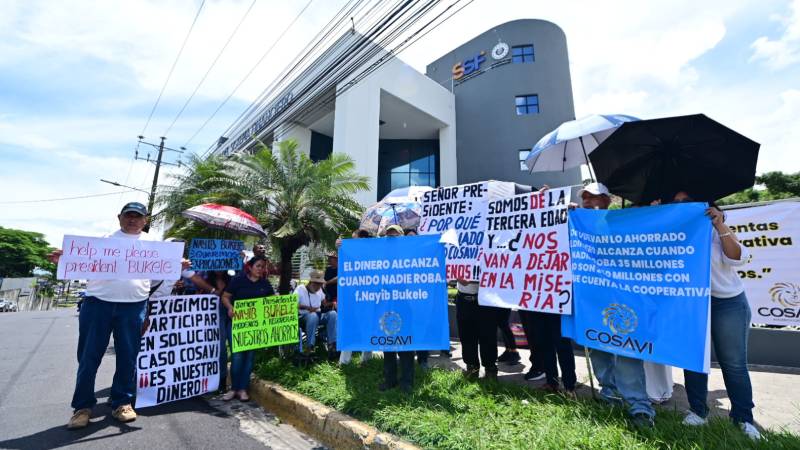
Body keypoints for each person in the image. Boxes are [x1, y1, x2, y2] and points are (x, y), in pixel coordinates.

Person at [52, 202, 160, 429]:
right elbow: (79, 264)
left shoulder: (155, 244)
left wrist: (177, 265)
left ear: (145, 220)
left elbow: (160, 274)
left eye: (137, 217)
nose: (132, 220)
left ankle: (122, 402)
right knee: (89, 357)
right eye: (128, 216)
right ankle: (82, 407)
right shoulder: (102, 240)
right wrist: (65, 260)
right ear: (119, 217)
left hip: (134, 306)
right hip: (98, 304)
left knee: (128, 356)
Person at [673, 191, 761, 440]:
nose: (682, 206)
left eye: (687, 201)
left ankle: (743, 418)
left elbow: (736, 258)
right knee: (694, 361)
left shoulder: (716, 228)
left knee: (733, 364)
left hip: (728, 303)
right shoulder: (673, 231)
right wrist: (656, 213)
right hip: (692, 304)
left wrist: (720, 224)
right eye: (676, 202)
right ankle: (698, 412)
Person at [575, 183, 655, 427]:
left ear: (608, 200)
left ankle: (640, 408)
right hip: (593, 302)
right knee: (599, 350)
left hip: (625, 301)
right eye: (585, 199)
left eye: (594, 197)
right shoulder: (577, 224)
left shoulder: (625, 222)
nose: (588, 202)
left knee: (627, 354)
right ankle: (609, 395)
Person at [221, 255, 276, 401]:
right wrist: (230, 307)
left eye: (263, 267)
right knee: (237, 356)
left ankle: (242, 389)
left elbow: (273, 302)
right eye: (258, 266)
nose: (261, 269)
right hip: (237, 324)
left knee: (249, 357)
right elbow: (225, 296)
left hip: (255, 327)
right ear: (250, 267)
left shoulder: (265, 284)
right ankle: (233, 388)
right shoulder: (238, 280)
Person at [378, 224, 417, 392]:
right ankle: (390, 379)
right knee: (388, 344)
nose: (391, 239)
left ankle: (407, 381)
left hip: (405, 305)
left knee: (405, 344)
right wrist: (342, 248)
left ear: (402, 238)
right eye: (389, 237)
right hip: (386, 304)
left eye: (395, 236)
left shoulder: (411, 254)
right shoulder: (380, 256)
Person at [338, 232, 373, 365]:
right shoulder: (349, 253)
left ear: (363, 239)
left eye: (354, 239)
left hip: (370, 297)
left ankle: (367, 359)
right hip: (352, 296)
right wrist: (340, 247)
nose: (351, 242)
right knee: (350, 325)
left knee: (368, 326)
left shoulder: (375, 251)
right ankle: (344, 361)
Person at [296, 270, 338, 361]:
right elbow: (294, 305)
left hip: (318, 315)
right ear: (311, 282)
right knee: (313, 315)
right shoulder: (300, 289)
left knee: (333, 314)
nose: (318, 286)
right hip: (304, 317)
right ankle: (310, 347)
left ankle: (332, 345)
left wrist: (332, 303)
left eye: (320, 284)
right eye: (316, 284)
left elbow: (324, 303)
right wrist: (307, 307)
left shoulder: (319, 291)